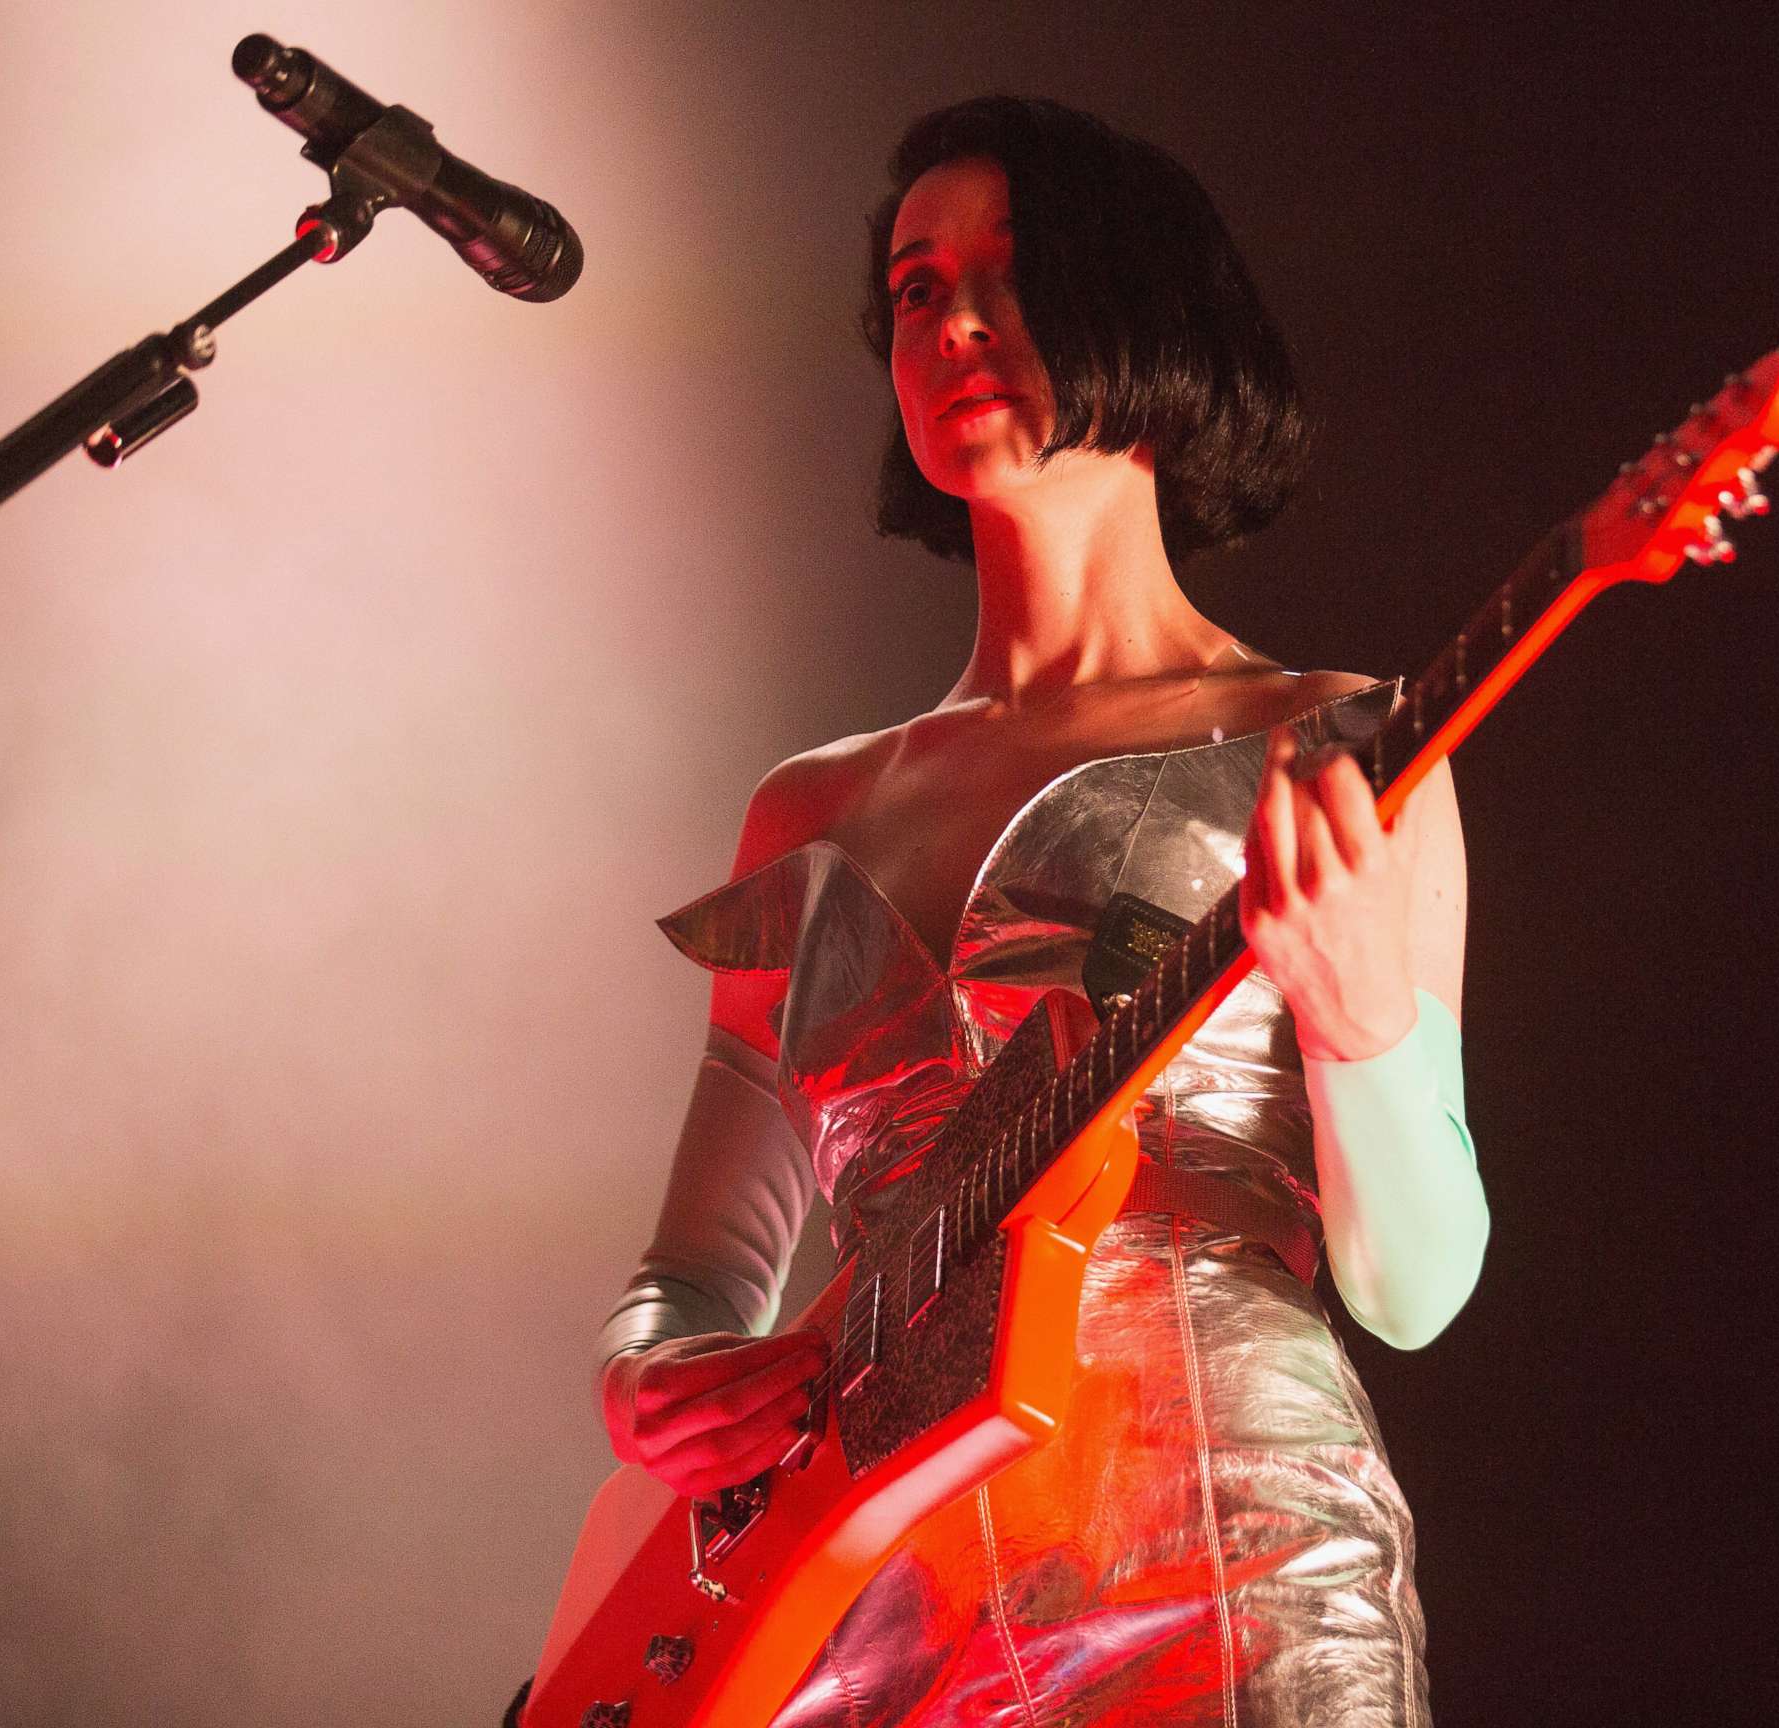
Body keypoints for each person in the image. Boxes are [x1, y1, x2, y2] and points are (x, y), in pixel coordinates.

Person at [595, 96, 1489, 1726]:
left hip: (1223, 1563)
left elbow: (1419, 1289)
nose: (953, 323)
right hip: (867, 1595)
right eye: (917, 287)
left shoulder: (1343, 743)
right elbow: (689, 1278)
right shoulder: (814, 810)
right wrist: (649, 1375)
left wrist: (1359, 1025)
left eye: (1010, 275)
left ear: (1142, 306)